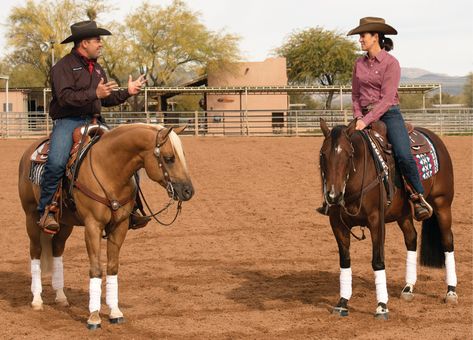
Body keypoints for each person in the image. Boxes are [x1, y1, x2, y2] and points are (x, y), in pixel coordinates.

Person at [38, 20, 150, 233]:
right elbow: (64, 98)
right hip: (68, 121)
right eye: (97, 40)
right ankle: (47, 210)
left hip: (95, 120)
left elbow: (105, 99)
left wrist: (128, 91)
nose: (101, 44)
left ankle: (133, 208)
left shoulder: (97, 68)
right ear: (83, 43)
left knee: (129, 158)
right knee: (56, 162)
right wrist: (94, 94)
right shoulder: (61, 67)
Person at [317, 17, 432, 221]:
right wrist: (358, 116)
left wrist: (366, 119)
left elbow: (388, 99)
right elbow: (354, 95)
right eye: (360, 36)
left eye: (363, 35)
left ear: (375, 37)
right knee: (338, 152)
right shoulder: (358, 64)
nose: (360, 39)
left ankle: (417, 196)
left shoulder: (391, 63)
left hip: (389, 114)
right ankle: (332, 198)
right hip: (362, 116)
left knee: (403, 154)